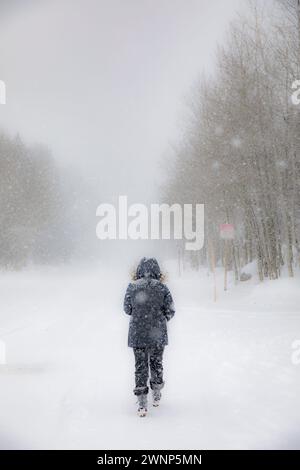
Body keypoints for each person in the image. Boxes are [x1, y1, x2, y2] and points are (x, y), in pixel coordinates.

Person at [123, 257, 175, 417]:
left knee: (140, 366)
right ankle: (157, 392)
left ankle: (142, 403)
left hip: (137, 333)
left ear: (138, 270)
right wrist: (159, 320)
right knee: (156, 363)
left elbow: (127, 309)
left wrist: (140, 315)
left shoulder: (132, 287)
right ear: (157, 271)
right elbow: (170, 310)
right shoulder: (163, 288)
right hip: (157, 334)